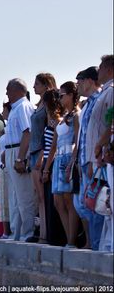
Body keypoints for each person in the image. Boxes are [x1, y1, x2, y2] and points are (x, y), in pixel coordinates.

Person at [43, 82, 80, 247]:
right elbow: (53, 146)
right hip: (58, 159)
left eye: (62, 95)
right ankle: (68, 237)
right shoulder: (62, 117)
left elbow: (78, 141)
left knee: (68, 200)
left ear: (71, 95)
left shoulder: (76, 115)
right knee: (58, 202)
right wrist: (46, 168)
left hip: (68, 158)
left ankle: (72, 239)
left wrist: (73, 161)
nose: (59, 98)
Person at [4, 78, 36, 241]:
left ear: (16, 90)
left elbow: (27, 132)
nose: (6, 94)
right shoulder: (16, 108)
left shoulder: (23, 106)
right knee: (15, 197)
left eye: (8, 90)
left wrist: (20, 158)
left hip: (18, 150)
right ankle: (16, 232)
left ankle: (27, 233)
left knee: (24, 196)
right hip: (11, 150)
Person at [74, 66, 102, 249]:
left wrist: (92, 159)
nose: (78, 86)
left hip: (93, 161)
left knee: (96, 205)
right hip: (84, 161)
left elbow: (98, 133)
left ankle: (98, 245)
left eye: (80, 81)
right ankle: (94, 243)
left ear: (90, 81)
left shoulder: (99, 100)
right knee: (85, 205)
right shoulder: (87, 104)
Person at [29, 73, 57, 243]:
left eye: (37, 84)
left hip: (41, 152)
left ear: (46, 85)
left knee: (43, 196)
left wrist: (42, 156)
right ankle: (42, 233)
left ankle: (45, 234)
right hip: (34, 152)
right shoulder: (38, 105)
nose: (34, 87)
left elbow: (49, 132)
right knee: (39, 197)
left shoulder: (48, 104)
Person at [89, 55, 113, 251]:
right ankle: (107, 243)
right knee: (105, 201)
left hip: (107, 153)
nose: (98, 72)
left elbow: (111, 124)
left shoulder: (111, 92)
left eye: (101, 68)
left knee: (110, 200)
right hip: (102, 155)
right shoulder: (105, 92)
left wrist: (100, 145)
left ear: (110, 70)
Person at [0, 102, 12, 238]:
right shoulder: (6, 129)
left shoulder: (11, 129)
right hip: (2, 167)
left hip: (9, 165)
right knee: (4, 200)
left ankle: (10, 231)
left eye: (4, 110)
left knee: (11, 199)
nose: (2, 113)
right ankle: (6, 231)